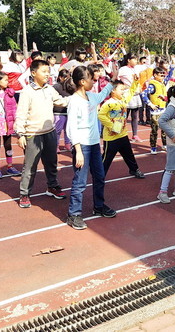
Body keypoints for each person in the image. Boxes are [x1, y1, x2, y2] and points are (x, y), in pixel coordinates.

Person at [65, 65, 115, 230]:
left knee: (99, 176)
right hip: (82, 146)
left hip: (94, 144)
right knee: (80, 181)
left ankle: (99, 206)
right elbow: (71, 127)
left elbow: (103, 94)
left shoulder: (91, 97)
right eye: (91, 80)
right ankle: (74, 214)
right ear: (81, 81)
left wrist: (114, 78)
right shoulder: (74, 101)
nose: (94, 82)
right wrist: (78, 150)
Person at [15, 60, 69, 208]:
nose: (48, 74)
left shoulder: (49, 89)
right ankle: (24, 194)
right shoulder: (27, 91)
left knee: (51, 162)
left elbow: (61, 101)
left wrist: (77, 98)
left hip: (49, 132)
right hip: (33, 134)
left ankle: (52, 186)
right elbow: (21, 114)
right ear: (33, 73)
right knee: (30, 166)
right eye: (44, 71)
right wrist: (20, 134)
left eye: (48, 71)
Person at [98, 78, 146, 178]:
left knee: (129, 155)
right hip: (111, 138)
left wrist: (135, 82)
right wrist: (112, 126)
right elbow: (101, 115)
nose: (123, 92)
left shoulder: (123, 100)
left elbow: (131, 92)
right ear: (113, 91)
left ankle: (134, 169)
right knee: (107, 158)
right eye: (121, 89)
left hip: (123, 135)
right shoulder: (108, 104)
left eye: (124, 90)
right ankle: (100, 175)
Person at [118, 52, 149, 142]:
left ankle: (135, 135)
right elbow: (116, 78)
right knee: (124, 115)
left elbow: (147, 66)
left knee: (135, 116)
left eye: (136, 59)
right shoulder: (123, 69)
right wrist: (122, 87)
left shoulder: (136, 68)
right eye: (134, 59)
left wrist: (147, 55)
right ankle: (119, 133)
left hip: (135, 94)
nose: (136, 61)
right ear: (128, 60)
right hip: (126, 94)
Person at [141, 67, 168, 154]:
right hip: (155, 112)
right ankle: (153, 146)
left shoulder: (162, 83)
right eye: (161, 75)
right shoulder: (152, 86)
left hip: (163, 110)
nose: (163, 77)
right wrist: (150, 104)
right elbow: (143, 94)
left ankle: (165, 145)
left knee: (165, 130)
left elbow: (169, 76)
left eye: (163, 75)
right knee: (154, 130)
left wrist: (172, 67)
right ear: (155, 75)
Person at [52, 69, 73, 153]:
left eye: (68, 77)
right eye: (65, 77)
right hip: (58, 112)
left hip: (68, 112)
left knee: (68, 130)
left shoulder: (71, 86)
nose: (67, 79)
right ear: (60, 77)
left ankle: (68, 144)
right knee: (57, 130)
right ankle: (55, 145)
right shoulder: (56, 87)